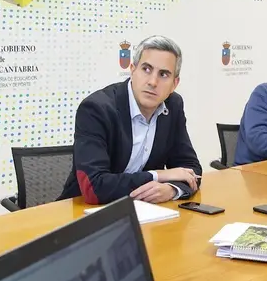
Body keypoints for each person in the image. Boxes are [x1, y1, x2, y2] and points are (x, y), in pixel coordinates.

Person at [59, 36, 202, 205]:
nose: (152, 82)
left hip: (144, 210)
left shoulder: (173, 105)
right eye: (146, 69)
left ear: (174, 84)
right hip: (83, 213)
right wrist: (159, 175)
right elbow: (95, 188)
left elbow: (190, 169)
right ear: (132, 70)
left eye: (163, 74)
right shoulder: (97, 109)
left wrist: (171, 189)